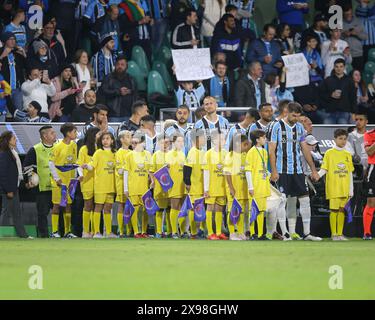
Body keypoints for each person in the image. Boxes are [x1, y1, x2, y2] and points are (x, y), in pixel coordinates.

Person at [269, 102, 322, 241]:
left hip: (297, 170)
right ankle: (285, 233)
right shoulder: (276, 126)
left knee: (305, 200)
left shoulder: (299, 128)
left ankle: (307, 233)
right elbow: (271, 151)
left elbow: (305, 148)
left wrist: (313, 170)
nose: (296, 118)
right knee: (282, 201)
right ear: (287, 112)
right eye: (294, 115)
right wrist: (274, 171)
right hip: (282, 170)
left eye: (298, 116)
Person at [318, 129, 354, 241]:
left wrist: (351, 190)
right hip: (334, 187)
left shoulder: (348, 154)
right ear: (335, 139)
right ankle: (333, 234)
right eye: (340, 138)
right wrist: (317, 175)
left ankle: (340, 234)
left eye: (344, 139)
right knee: (334, 210)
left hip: (344, 187)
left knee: (342, 210)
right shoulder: (329, 153)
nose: (343, 141)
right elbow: (324, 168)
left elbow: (349, 173)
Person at [23, 125, 56, 238]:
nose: (54, 134)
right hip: (42, 188)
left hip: (57, 186)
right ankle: (44, 235)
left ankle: (59, 233)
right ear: (45, 136)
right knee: (42, 213)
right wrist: (31, 177)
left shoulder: (58, 147)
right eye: (52, 133)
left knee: (60, 212)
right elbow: (27, 166)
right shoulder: (35, 149)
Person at [84, 131, 117, 238]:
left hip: (111, 186)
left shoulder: (115, 153)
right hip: (100, 185)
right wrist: (86, 166)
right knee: (98, 207)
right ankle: (97, 232)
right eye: (103, 139)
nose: (105, 141)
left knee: (108, 208)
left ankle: (108, 232)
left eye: (107, 138)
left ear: (112, 141)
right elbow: (92, 166)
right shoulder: (98, 152)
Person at [48, 122, 78, 238]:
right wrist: (57, 178)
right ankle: (55, 231)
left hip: (70, 181)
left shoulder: (74, 145)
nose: (76, 134)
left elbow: (74, 162)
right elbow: (51, 163)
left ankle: (67, 231)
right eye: (74, 132)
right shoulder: (58, 146)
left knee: (68, 205)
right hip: (59, 182)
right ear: (68, 133)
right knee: (56, 205)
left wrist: (75, 177)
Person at [0, 130, 30, 238]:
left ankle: (23, 235)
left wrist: (23, 184)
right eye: (14, 138)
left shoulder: (13, 152)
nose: (16, 140)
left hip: (14, 187)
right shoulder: (4, 154)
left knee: (17, 212)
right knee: (6, 212)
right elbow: (2, 174)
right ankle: (2, 235)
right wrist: (8, 190)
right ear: (8, 141)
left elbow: (17, 173)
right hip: (8, 189)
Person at [124, 131, 152, 238]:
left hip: (145, 187)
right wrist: (125, 188)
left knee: (145, 209)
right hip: (133, 186)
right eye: (133, 142)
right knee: (135, 208)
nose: (134, 145)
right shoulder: (129, 155)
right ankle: (136, 231)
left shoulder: (148, 154)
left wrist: (152, 181)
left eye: (137, 142)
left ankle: (144, 231)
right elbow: (126, 172)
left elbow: (150, 171)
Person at [203, 129, 228, 240]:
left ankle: (218, 232)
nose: (223, 141)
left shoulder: (226, 154)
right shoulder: (208, 154)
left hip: (222, 187)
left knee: (219, 209)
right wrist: (206, 188)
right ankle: (210, 233)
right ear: (214, 140)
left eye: (224, 139)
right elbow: (206, 172)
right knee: (210, 208)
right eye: (220, 139)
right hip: (211, 187)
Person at [246, 129, 271, 240]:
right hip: (255, 186)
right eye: (263, 137)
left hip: (263, 184)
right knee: (253, 210)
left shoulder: (264, 152)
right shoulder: (251, 152)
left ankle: (261, 233)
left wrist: (270, 176)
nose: (265, 139)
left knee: (261, 210)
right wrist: (250, 186)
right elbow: (248, 170)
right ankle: (252, 233)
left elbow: (264, 168)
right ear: (257, 139)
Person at [225, 133, 250, 240]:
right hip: (233, 188)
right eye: (244, 144)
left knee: (242, 211)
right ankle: (231, 233)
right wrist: (231, 187)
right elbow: (227, 173)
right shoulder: (230, 156)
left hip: (243, 188)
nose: (246, 147)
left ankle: (240, 232)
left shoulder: (245, 155)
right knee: (232, 211)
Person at [77, 127, 101, 238]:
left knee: (97, 205)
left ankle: (95, 231)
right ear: (93, 136)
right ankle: (85, 231)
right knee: (88, 204)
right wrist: (81, 175)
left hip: (99, 181)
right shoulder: (84, 149)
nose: (100, 136)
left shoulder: (101, 149)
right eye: (98, 134)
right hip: (87, 180)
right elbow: (79, 165)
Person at [295, 34, 324, 123]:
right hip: (302, 81)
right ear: (308, 43)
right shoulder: (301, 54)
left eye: (316, 41)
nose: (315, 43)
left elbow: (321, 71)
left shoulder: (317, 54)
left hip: (316, 81)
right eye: (313, 41)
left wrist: (316, 67)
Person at [319, 58, 357, 124]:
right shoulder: (328, 80)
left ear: (344, 67)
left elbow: (353, 97)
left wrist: (354, 112)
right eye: (336, 66)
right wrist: (331, 95)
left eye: (341, 66)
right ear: (334, 67)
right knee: (326, 124)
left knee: (342, 124)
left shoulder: (349, 81)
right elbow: (321, 94)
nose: (339, 68)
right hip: (330, 112)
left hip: (344, 111)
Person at [100, 56, 138, 122]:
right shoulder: (108, 78)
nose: (120, 66)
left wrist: (130, 91)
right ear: (115, 65)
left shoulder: (131, 79)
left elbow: (136, 94)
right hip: (113, 115)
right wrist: (118, 92)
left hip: (129, 114)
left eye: (122, 64)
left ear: (126, 66)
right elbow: (103, 92)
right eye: (118, 64)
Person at [183, 128, 206, 239]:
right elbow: (187, 168)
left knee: (200, 208)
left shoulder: (201, 152)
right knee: (193, 208)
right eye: (203, 137)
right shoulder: (193, 152)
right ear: (197, 139)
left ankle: (200, 230)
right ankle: (193, 232)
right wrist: (187, 182)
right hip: (195, 186)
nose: (204, 139)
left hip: (201, 186)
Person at [150, 134, 171, 238]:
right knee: (159, 209)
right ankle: (158, 231)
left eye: (167, 142)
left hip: (171, 188)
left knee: (169, 209)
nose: (165, 144)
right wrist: (153, 181)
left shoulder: (172, 155)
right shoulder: (155, 155)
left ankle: (170, 231)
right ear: (159, 143)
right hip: (159, 187)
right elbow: (151, 170)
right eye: (163, 142)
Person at [166, 132, 186, 239]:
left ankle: (182, 231)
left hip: (182, 183)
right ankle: (174, 231)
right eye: (178, 141)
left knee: (182, 208)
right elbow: (167, 170)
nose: (181, 143)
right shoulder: (169, 154)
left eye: (182, 141)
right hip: (174, 184)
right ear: (173, 142)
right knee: (174, 207)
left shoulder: (183, 154)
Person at [0, 31, 26, 112]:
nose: (13, 41)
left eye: (14, 39)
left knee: (19, 114)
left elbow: (28, 68)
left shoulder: (17, 52)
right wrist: (2, 56)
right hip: (3, 89)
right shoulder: (0, 51)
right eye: (10, 39)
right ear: (4, 41)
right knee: (4, 113)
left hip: (17, 89)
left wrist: (24, 54)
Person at [114, 130, 132, 237]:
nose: (130, 138)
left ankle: (129, 230)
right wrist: (127, 169)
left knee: (129, 206)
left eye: (130, 136)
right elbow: (120, 170)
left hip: (131, 183)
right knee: (121, 205)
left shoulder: (131, 152)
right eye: (128, 136)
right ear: (122, 140)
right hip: (121, 183)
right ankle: (120, 230)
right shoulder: (119, 153)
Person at [342, 5, 368, 71]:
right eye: (346, 14)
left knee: (359, 74)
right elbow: (336, 39)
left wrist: (357, 34)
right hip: (345, 55)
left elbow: (365, 37)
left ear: (352, 12)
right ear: (343, 14)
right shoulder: (339, 23)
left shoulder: (358, 21)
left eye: (350, 14)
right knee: (347, 75)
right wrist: (344, 34)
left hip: (358, 54)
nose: (348, 15)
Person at [362, 127, 375, 240]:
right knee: (371, 201)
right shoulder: (369, 134)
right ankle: (367, 233)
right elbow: (370, 152)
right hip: (373, 169)